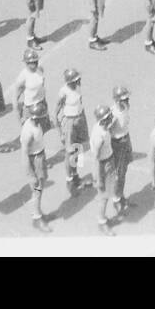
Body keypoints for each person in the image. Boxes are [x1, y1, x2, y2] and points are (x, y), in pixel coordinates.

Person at [19, 97, 51, 230]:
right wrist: (30, 174)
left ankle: (37, 211)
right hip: (34, 159)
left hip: (40, 156)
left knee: (40, 187)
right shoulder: (28, 132)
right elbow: (24, 154)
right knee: (37, 189)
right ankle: (36, 218)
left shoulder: (35, 123)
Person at [56, 68, 89, 192]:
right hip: (69, 122)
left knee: (78, 149)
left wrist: (82, 119)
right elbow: (56, 112)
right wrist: (60, 133)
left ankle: (75, 175)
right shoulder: (63, 92)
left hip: (79, 119)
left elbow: (80, 102)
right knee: (69, 152)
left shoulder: (77, 88)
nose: (78, 81)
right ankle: (69, 179)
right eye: (75, 80)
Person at [91, 105, 117, 233]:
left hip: (108, 160)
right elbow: (96, 159)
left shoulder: (101, 127)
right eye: (108, 118)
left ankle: (103, 217)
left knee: (106, 195)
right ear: (103, 120)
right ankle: (102, 222)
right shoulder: (99, 136)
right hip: (103, 165)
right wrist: (99, 178)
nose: (111, 118)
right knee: (104, 196)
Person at [109, 86, 134, 212]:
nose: (127, 100)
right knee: (118, 174)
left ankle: (121, 195)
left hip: (125, 139)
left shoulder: (124, 108)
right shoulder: (113, 114)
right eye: (125, 99)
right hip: (117, 144)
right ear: (118, 100)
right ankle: (116, 199)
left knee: (124, 172)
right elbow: (107, 132)